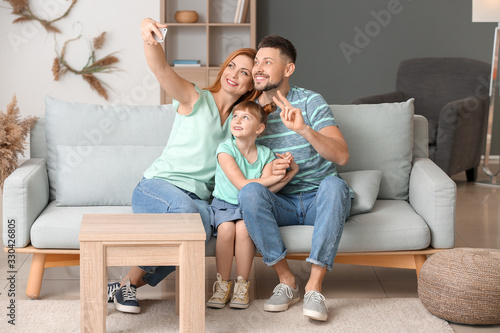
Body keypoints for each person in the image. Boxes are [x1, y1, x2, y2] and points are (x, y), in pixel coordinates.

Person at [107, 17, 259, 314]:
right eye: (231, 66)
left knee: (200, 226)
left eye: (245, 72)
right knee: (187, 217)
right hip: (157, 187)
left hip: (196, 199)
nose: (234, 75)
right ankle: (129, 284)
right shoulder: (194, 97)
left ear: (252, 83)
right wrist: (150, 39)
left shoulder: (241, 124)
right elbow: (161, 70)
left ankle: (127, 283)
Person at [237, 34, 352, 322]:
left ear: (288, 69)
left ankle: (314, 287)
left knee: (336, 185)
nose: (258, 68)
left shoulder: (310, 101)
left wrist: (304, 131)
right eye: (256, 62)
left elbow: (341, 157)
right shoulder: (248, 111)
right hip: (280, 202)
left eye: (267, 62)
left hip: (319, 199)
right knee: (249, 193)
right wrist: (270, 174)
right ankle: (286, 281)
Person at [206, 101, 299, 310]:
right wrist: (274, 176)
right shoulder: (225, 149)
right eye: (235, 116)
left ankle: (241, 284)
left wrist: (288, 174)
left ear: (259, 129)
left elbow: (267, 192)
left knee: (244, 230)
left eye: (245, 117)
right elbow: (241, 184)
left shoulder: (266, 154)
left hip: (247, 208)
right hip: (224, 205)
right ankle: (222, 285)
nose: (237, 120)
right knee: (227, 229)